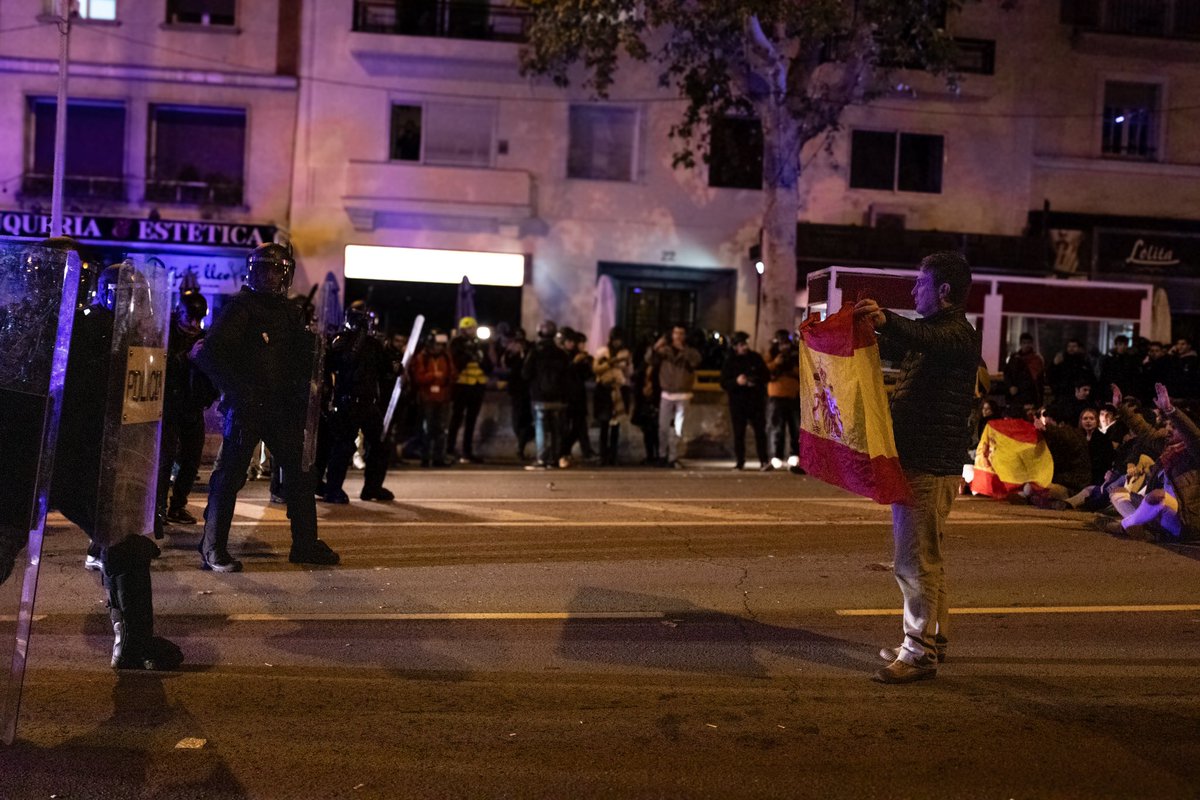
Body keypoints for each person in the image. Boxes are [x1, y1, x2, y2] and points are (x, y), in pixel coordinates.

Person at [854, 251, 981, 684]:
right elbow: (907, 341)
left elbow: (919, 337)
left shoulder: (958, 334)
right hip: (925, 461)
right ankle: (932, 641)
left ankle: (917, 651)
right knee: (929, 558)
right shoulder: (936, 333)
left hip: (929, 465)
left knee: (913, 563)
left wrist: (887, 319)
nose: (913, 291)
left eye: (919, 284)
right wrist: (871, 328)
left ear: (943, 291)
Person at [51, 255, 183, 670]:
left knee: (125, 542)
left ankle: (134, 640)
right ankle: (134, 639)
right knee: (124, 543)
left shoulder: (139, 339)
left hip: (94, 458)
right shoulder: (86, 334)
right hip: (74, 456)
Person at [194, 242, 339, 572]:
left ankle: (304, 544)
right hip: (247, 409)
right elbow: (209, 354)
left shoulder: (289, 312)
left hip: (282, 409)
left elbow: (297, 358)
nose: (268, 277)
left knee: (302, 476)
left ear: (285, 275)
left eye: (274, 271)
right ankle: (212, 547)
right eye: (262, 270)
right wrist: (238, 390)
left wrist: (319, 357)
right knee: (229, 478)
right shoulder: (241, 308)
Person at [1093, 384, 1199, 541]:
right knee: (1117, 492)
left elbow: (1193, 436)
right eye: (1167, 425)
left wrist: (1171, 410)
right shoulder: (1166, 448)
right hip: (1159, 513)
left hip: (1186, 519)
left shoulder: (1195, 452)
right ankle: (1147, 530)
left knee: (1157, 496)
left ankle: (1124, 525)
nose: (1168, 430)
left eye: (1174, 427)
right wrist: (1120, 408)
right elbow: (1144, 431)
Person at [322, 300, 394, 503]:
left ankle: (372, 487)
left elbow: (388, 371)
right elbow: (332, 365)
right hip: (347, 402)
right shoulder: (341, 341)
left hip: (368, 403)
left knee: (379, 444)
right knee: (343, 446)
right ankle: (333, 489)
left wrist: (395, 363)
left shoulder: (374, 345)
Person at [158, 290, 218, 528]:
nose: (193, 324)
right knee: (165, 458)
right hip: (170, 405)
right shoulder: (167, 334)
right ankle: (159, 508)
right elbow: (161, 364)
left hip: (192, 406)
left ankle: (177, 505)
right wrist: (187, 357)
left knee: (191, 460)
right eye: (189, 318)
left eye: (198, 319)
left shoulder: (203, 337)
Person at [651, 324, 702, 468]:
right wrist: (656, 347)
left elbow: (696, 361)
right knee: (663, 427)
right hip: (667, 393)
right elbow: (650, 360)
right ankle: (662, 455)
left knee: (679, 428)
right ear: (671, 335)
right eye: (676, 333)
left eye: (681, 333)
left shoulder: (690, 351)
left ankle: (674, 457)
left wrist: (683, 351)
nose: (678, 336)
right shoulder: (664, 351)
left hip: (683, 394)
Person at [522, 320, 570, 469]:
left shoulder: (535, 352)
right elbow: (567, 375)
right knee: (556, 429)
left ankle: (542, 458)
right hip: (558, 397)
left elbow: (525, 373)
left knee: (540, 428)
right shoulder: (561, 353)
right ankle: (555, 458)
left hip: (539, 397)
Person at [720, 331, 770, 470]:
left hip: (756, 401)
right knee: (739, 433)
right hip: (738, 402)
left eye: (745, 344)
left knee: (760, 432)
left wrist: (754, 380)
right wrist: (737, 382)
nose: (744, 347)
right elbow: (723, 382)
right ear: (735, 346)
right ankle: (740, 461)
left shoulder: (755, 358)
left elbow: (766, 376)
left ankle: (764, 460)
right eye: (741, 345)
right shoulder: (730, 361)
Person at [411, 329, 458, 467]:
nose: (439, 347)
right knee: (427, 429)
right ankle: (425, 458)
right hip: (427, 398)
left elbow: (453, 374)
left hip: (443, 398)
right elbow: (418, 378)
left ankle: (439, 458)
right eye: (437, 344)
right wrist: (433, 376)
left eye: (441, 345)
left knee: (442, 429)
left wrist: (444, 379)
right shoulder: (422, 357)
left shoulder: (446, 357)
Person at [448, 316, 491, 463]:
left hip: (477, 385)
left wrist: (480, 356)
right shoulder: (457, 343)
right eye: (468, 328)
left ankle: (467, 452)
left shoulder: (481, 343)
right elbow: (456, 363)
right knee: (456, 418)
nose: (471, 331)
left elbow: (489, 366)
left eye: (473, 328)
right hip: (462, 385)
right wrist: (468, 353)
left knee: (472, 420)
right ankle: (449, 449)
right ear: (462, 330)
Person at [593, 326, 633, 466]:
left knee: (616, 425)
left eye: (620, 340)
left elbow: (629, 373)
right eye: (616, 340)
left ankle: (613, 455)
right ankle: (603, 455)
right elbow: (596, 369)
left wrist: (624, 366)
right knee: (604, 424)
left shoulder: (626, 353)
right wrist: (611, 362)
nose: (617, 343)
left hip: (619, 390)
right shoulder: (602, 352)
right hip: (604, 390)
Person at [766, 330, 800, 471]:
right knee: (776, 429)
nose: (784, 347)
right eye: (781, 343)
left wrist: (791, 368)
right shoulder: (772, 354)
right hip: (776, 396)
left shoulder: (796, 354)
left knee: (795, 428)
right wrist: (776, 362)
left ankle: (794, 458)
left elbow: (803, 371)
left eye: (786, 343)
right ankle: (776, 457)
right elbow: (765, 371)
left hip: (793, 395)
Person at [560, 327, 595, 464]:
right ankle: (565, 452)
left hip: (578, 396)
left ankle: (572, 451)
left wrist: (586, 364)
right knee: (570, 426)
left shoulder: (579, 356)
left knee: (580, 426)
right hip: (566, 396)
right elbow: (563, 374)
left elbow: (586, 375)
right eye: (570, 341)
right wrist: (574, 363)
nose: (573, 345)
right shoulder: (563, 356)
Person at [501, 327, 535, 461]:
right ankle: (521, 444)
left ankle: (521, 445)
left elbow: (529, 369)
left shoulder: (530, 349)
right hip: (516, 389)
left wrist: (524, 353)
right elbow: (506, 365)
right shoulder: (511, 351)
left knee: (526, 420)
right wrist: (511, 353)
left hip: (528, 389)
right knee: (517, 421)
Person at [1002, 332, 1046, 409]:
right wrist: (1010, 386)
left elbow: (1038, 380)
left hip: (1030, 395)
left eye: (1029, 343)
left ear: (1032, 344)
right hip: (1015, 396)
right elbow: (1007, 374)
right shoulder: (1014, 358)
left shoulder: (1037, 359)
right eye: (1024, 343)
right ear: (1020, 344)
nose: (1026, 345)